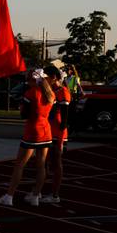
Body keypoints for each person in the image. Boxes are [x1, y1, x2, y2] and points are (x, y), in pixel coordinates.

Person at [0, 69, 55, 206]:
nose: (27, 82)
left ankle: (9, 196)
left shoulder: (31, 93)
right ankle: (35, 196)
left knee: (20, 165)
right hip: (46, 131)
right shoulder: (50, 93)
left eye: (28, 79)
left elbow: (24, 115)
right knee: (41, 165)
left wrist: (21, 106)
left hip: (33, 131)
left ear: (34, 80)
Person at [43, 65, 70, 203]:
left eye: (46, 77)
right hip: (47, 131)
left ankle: (54, 195)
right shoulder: (50, 91)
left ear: (54, 78)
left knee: (56, 162)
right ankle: (40, 191)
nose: (44, 80)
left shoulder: (62, 91)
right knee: (44, 162)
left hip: (58, 133)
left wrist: (60, 139)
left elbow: (64, 119)